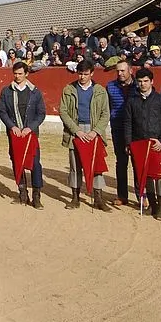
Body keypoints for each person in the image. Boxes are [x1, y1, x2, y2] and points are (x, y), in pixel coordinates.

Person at [59, 59, 111, 211]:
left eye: (85, 74)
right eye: (80, 74)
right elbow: (63, 111)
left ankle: (98, 198)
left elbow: (105, 113)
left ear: (92, 73)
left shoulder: (100, 90)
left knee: (96, 165)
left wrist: (95, 131)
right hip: (76, 130)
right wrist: (76, 130)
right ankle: (75, 197)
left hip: (94, 130)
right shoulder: (68, 89)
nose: (82, 77)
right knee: (75, 166)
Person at [123, 67, 161, 221]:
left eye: (146, 81)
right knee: (146, 175)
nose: (143, 84)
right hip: (140, 143)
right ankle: (153, 204)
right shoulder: (132, 101)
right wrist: (129, 143)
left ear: (152, 82)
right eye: (140, 81)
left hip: (157, 142)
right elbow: (128, 123)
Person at [0, 62, 47, 208]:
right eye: (15, 73)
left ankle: (36, 196)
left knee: (35, 163)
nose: (17, 76)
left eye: (20, 73)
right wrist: (12, 126)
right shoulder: (6, 91)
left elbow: (41, 113)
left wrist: (30, 128)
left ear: (26, 74)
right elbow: (2, 111)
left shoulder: (35, 92)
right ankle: (22, 193)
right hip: (15, 134)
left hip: (30, 134)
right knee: (16, 161)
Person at [106, 60, 135, 206]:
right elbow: (108, 107)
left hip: (136, 129)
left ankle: (142, 196)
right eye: (118, 71)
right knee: (121, 162)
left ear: (130, 70)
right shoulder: (110, 86)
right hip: (118, 128)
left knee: (138, 163)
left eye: (123, 71)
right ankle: (122, 196)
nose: (120, 73)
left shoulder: (139, 84)